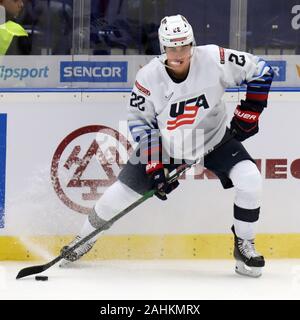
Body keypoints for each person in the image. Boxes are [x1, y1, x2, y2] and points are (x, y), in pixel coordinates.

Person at [60, 15, 273, 278]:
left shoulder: (215, 59)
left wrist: (250, 111)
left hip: (215, 139)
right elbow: (139, 123)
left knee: (250, 178)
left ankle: (244, 247)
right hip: (167, 145)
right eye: (172, 47)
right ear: (163, 48)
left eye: (184, 46)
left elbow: (261, 69)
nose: (179, 53)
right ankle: (83, 239)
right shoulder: (148, 77)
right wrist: (154, 163)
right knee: (117, 195)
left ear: (192, 43)